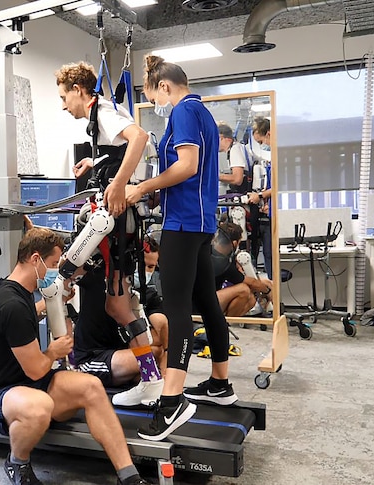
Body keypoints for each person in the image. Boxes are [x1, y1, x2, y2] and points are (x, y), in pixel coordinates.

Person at [124, 55, 239, 442]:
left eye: (153, 95)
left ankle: (172, 400)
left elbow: (187, 166)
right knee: (206, 299)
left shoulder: (184, 112)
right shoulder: (203, 113)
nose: (156, 102)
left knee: (176, 309)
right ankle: (220, 383)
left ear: (165, 87)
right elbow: (194, 171)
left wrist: (142, 187)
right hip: (200, 221)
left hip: (185, 223)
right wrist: (162, 193)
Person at [0, 227, 149, 485]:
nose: (57, 270)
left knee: (91, 386)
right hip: (3, 394)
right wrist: (54, 351)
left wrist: (47, 306)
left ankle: (129, 476)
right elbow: (36, 369)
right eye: (54, 264)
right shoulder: (10, 305)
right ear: (35, 259)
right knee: (39, 408)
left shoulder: (18, 292)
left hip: (30, 382)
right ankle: (17, 463)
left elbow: (25, 320)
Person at [55, 61, 165, 404]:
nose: (63, 105)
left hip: (113, 221)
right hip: (121, 225)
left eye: (64, 97)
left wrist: (117, 185)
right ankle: (151, 378)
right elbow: (120, 151)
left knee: (66, 275)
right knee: (119, 305)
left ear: (78, 90)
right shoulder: (97, 117)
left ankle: (150, 380)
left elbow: (139, 137)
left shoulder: (100, 110)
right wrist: (97, 162)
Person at [74, 234, 169, 407]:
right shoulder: (97, 275)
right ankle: (151, 378)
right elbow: (66, 270)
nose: (148, 271)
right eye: (145, 265)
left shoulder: (143, 291)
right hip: (92, 358)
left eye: (152, 267)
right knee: (150, 357)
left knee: (154, 353)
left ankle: (152, 380)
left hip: (117, 354)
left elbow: (159, 334)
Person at [212, 222, 273, 317]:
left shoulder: (215, 254)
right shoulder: (224, 263)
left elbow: (245, 280)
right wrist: (268, 291)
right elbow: (250, 282)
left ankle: (226, 322)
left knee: (251, 299)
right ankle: (225, 323)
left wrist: (262, 284)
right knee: (243, 290)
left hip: (211, 298)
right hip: (201, 304)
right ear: (235, 243)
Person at [248, 116, 274, 280]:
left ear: (269, 133)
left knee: (270, 254)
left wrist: (260, 196)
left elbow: (278, 187)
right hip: (269, 211)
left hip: (274, 215)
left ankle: (273, 290)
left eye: (262, 140)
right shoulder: (272, 159)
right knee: (267, 254)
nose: (263, 145)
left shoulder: (278, 155)